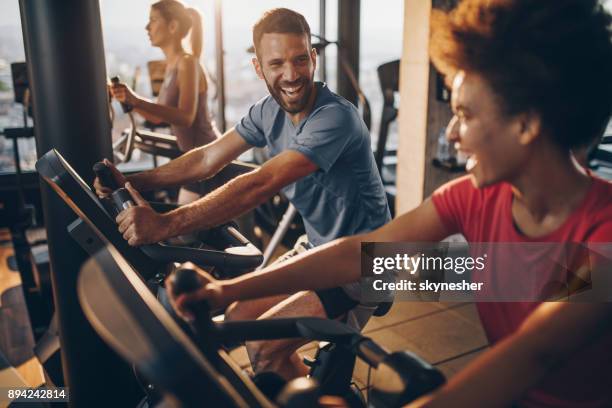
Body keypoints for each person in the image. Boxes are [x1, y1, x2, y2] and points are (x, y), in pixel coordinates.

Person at [168, 0, 612, 406]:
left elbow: (536, 352)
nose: (452, 133)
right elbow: (365, 256)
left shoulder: (605, 236)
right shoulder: (473, 202)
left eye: (467, 115)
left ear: (526, 124)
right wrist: (226, 291)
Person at [96, 8, 391, 380]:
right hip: (318, 249)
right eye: (277, 63)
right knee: (238, 317)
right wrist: (135, 184)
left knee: (264, 348)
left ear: (313, 58)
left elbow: (261, 183)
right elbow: (206, 159)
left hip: (368, 263)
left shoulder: (337, 117)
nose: (292, 74)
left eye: (301, 59)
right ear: (258, 67)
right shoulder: (267, 112)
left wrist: (165, 224)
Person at [110, 0, 219, 203]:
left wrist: (136, 99)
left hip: (207, 157)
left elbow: (186, 117)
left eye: (152, 20)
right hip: (192, 158)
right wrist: (129, 100)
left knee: (185, 231)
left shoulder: (187, 63)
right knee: (188, 231)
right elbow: (159, 116)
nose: (147, 27)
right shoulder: (171, 65)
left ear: (173, 26)